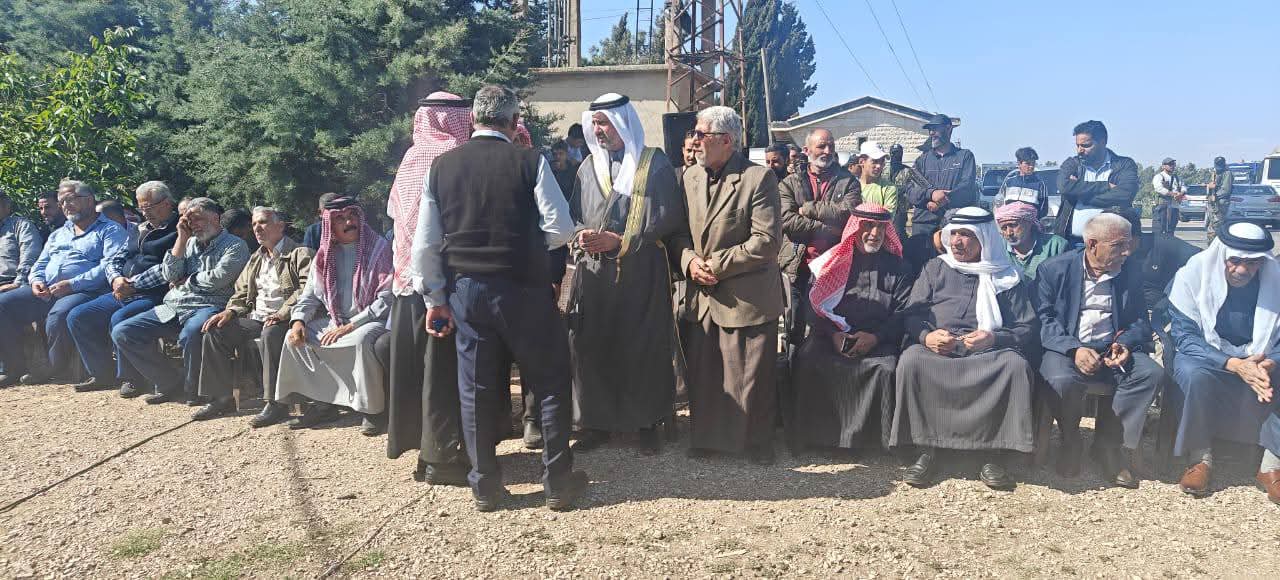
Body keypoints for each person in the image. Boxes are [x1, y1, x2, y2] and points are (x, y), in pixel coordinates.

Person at [415, 85, 587, 512]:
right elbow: (560, 228)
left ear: (474, 119)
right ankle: (557, 482)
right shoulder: (529, 160)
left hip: (467, 291)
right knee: (549, 381)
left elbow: (426, 244)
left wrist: (435, 298)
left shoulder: (441, 166)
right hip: (523, 287)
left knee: (475, 388)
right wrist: (525, 250)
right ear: (514, 122)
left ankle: (485, 486)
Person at [564, 92, 688, 455]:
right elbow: (573, 215)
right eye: (595, 124)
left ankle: (647, 422)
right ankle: (596, 423)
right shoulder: (587, 168)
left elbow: (668, 216)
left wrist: (621, 241)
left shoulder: (654, 164)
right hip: (595, 276)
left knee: (641, 346)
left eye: (604, 123)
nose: (599, 130)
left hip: (640, 272)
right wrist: (581, 235)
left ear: (622, 122)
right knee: (593, 345)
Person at [890, 207, 1038, 490]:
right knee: (912, 361)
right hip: (938, 348)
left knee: (1014, 367)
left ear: (985, 239)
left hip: (986, 351)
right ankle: (926, 450)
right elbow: (911, 315)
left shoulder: (1005, 275)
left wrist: (993, 339)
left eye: (966, 235)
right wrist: (927, 337)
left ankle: (992, 454)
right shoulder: (935, 267)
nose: (956, 241)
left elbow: (1026, 327)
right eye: (954, 233)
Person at [674, 105, 785, 464]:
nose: (694, 141)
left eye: (701, 134)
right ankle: (708, 439)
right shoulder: (689, 177)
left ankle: (756, 442)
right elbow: (677, 233)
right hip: (703, 293)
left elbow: (766, 241)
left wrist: (716, 265)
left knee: (750, 375)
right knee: (706, 372)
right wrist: (690, 262)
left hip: (746, 294)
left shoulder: (758, 178)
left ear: (725, 140)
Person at [1036, 212, 1165, 488]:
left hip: (1111, 348)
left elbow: (1140, 320)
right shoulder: (1054, 269)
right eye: (1119, 245)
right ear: (1092, 244)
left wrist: (1125, 343)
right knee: (1059, 379)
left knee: (1149, 374)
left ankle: (1108, 445)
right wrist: (1073, 349)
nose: (1127, 252)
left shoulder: (1130, 272)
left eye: (1128, 244)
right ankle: (1070, 440)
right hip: (1067, 348)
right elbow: (1043, 320)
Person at [384, 91, 473, 486]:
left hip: (406, 287)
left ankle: (424, 455)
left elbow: (395, 218)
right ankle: (444, 460)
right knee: (442, 375)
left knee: (416, 373)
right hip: (440, 286)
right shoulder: (454, 159)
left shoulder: (409, 159)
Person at [1166, 221, 1280, 498]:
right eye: (1235, 261)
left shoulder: (1275, 281)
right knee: (1193, 374)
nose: (1242, 270)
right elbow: (1185, 337)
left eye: (1252, 263)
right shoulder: (1191, 276)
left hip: (1261, 357)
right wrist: (1235, 364)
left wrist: (1271, 362)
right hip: (1206, 356)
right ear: (1222, 256)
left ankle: (1272, 465)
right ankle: (1200, 458)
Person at [792, 203, 911, 451]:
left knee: (886, 369)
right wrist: (833, 335)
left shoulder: (898, 267)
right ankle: (817, 439)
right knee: (808, 359)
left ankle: (872, 443)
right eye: (868, 226)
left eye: (881, 227)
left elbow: (903, 312)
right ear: (855, 228)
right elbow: (811, 307)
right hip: (831, 335)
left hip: (879, 339)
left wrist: (875, 337)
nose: (875, 233)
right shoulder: (831, 263)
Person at [111, 197, 249, 404]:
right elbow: (170, 274)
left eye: (198, 219)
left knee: (191, 333)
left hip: (209, 305)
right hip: (175, 306)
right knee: (124, 332)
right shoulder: (189, 242)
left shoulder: (235, 245)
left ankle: (194, 391)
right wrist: (182, 239)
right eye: (189, 221)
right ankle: (170, 382)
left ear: (215, 218)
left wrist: (187, 280)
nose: (194, 225)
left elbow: (218, 279)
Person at [275, 196, 392, 430]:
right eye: (340, 219)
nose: (349, 222)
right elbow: (309, 296)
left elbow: (387, 298)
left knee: (360, 341)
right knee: (294, 338)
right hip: (337, 321)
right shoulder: (324, 255)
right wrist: (298, 321)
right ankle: (323, 406)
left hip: (372, 320)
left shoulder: (379, 248)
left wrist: (352, 325)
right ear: (330, 225)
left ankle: (373, 410)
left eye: (352, 216)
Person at [192, 206, 313, 423]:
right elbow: (241, 291)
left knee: (270, 334)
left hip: (288, 319)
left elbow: (306, 289)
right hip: (258, 318)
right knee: (216, 331)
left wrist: (282, 313)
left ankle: (276, 403)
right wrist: (230, 311)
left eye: (263, 222)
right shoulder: (256, 258)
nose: (257, 228)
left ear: (280, 226)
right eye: (254, 224)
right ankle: (221, 398)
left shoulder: (299, 253)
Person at [0, 181, 128, 387]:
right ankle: (12, 368)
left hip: (87, 290)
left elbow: (110, 266)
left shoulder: (110, 230)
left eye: (70, 200)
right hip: (47, 289)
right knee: (3, 305)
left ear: (89, 200)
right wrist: (36, 281)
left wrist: (72, 284)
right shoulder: (59, 233)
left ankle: (52, 368)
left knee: (58, 315)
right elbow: (40, 262)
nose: (65, 206)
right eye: (61, 202)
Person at [66, 181, 180, 393]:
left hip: (156, 294)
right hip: (123, 290)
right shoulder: (139, 228)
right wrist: (116, 279)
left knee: (120, 318)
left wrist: (133, 284)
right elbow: (116, 258)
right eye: (141, 207)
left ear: (166, 203)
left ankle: (132, 378)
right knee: (79, 316)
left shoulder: (178, 231)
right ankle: (101, 374)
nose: (144, 212)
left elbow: (168, 269)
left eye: (149, 207)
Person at [778, 128, 861, 348]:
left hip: (833, 267)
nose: (827, 150)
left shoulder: (849, 182)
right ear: (806, 150)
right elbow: (787, 221)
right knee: (793, 328)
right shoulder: (789, 183)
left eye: (831, 145)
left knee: (827, 328)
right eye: (821, 146)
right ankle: (793, 367)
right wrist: (828, 228)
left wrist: (808, 208)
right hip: (797, 266)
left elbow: (849, 213)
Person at [1054, 121, 1139, 243]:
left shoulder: (1124, 164)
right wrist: (1105, 186)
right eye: (1077, 145)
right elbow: (1064, 187)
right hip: (1072, 243)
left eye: (1086, 145)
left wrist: (1081, 197)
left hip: (1112, 244)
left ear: (1103, 142)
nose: (1079, 150)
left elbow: (1125, 194)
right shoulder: (1072, 164)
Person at [902, 114, 977, 238]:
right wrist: (931, 194)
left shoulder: (965, 156)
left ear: (949, 129)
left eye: (935, 129)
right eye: (930, 130)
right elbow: (910, 191)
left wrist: (941, 201)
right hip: (924, 224)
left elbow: (967, 188)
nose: (931, 133)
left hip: (953, 224)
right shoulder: (921, 160)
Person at [996, 202, 1069, 281]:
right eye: (1004, 228)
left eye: (1013, 225)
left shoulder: (1057, 245)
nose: (1009, 233)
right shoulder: (998, 249)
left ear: (1029, 223)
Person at [855, 141, 905, 237]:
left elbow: (886, 218)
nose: (879, 166)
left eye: (882, 161)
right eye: (874, 161)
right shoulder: (850, 186)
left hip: (878, 238)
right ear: (862, 162)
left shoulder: (889, 188)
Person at [0, 189, 43, 290]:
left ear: (6, 206)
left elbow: (30, 256)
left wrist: (18, 282)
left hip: (10, 282)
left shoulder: (21, 225)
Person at [995, 147, 1050, 219]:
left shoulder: (1040, 185)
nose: (1031, 166)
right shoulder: (1009, 182)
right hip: (1008, 223)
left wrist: (1028, 219)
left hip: (1030, 224)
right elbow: (999, 203)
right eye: (1028, 163)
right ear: (1019, 164)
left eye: (1033, 163)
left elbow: (1043, 210)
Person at [1151, 158, 1185, 236]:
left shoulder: (1177, 178)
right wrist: (1173, 194)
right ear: (1163, 166)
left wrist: (1181, 193)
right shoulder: (1159, 176)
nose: (1172, 166)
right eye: (1170, 164)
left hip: (1174, 206)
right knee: (1160, 229)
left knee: (1171, 229)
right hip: (1162, 206)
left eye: (1173, 164)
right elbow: (1159, 188)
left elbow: (1183, 187)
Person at [1205, 156, 1235, 243]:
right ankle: (1212, 244)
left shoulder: (1227, 173)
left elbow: (1226, 190)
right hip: (1213, 202)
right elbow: (1210, 185)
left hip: (1220, 203)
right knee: (1212, 224)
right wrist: (1209, 187)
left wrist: (1215, 196)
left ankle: (1216, 244)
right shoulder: (1214, 173)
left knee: (1217, 224)